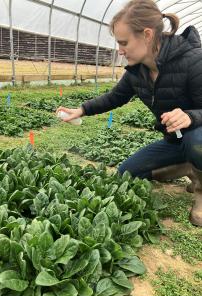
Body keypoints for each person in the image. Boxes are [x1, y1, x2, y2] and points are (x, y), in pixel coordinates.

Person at [56, 0, 202, 227]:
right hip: (175, 141)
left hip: (197, 136)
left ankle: (201, 191)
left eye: (123, 42)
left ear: (147, 34)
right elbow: (115, 97)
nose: (120, 50)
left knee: (197, 139)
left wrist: (189, 116)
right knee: (127, 172)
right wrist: (82, 109)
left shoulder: (193, 61)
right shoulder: (137, 71)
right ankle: (189, 166)